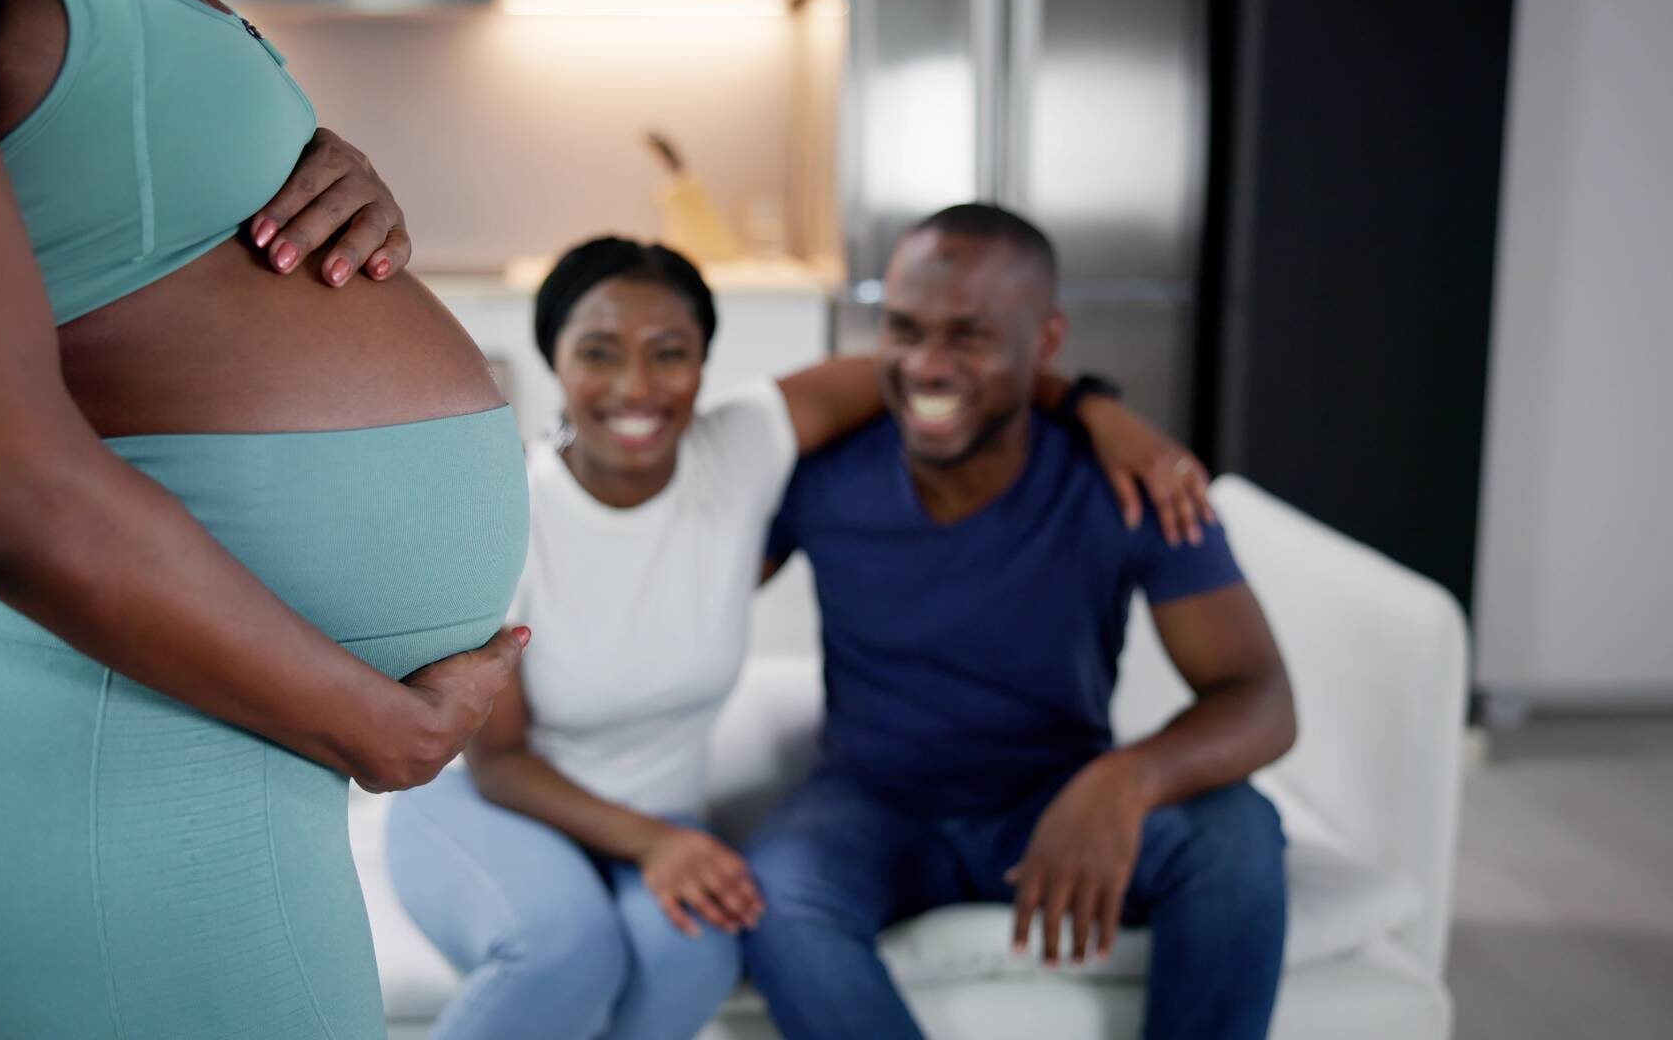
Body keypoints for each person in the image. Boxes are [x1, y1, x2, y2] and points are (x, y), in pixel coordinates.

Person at [0, 0, 530, 1036]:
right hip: (96, 750)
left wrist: (299, 161)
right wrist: (381, 730)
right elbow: (3, 497)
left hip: (198, 736)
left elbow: (101, 194)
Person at [383, 235, 1218, 1039]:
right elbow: (501, 763)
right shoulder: (504, 520)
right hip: (504, 812)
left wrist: (1095, 407)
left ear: (704, 365)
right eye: (598, 352)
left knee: (694, 960)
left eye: (669, 352)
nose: (635, 385)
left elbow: (931, 367)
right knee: (563, 956)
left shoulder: (741, 447)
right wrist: (662, 843)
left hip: (662, 819)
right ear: (553, 361)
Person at [740, 203, 1297, 1040]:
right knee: (777, 897)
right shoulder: (821, 472)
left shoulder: (1130, 485)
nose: (927, 364)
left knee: (1240, 834)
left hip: (1054, 796)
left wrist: (1127, 779)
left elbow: (1259, 697)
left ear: (1045, 342)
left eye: (969, 336)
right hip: (871, 804)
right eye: (904, 328)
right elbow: (680, 567)